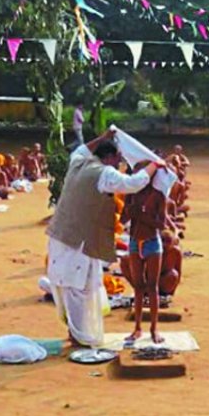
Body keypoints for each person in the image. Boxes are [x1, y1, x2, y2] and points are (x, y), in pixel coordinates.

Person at [46, 128, 160, 347]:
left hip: (61, 237)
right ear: (108, 158)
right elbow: (133, 183)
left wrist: (104, 137)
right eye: (117, 159)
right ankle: (80, 338)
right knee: (79, 289)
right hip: (78, 242)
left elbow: (83, 148)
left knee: (68, 287)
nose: (118, 164)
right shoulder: (103, 173)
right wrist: (156, 165)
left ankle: (76, 333)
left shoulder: (78, 162)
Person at [120, 161, 167, 344]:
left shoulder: (158, 196)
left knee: (152, 287)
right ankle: (137, 328)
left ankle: (154, 328)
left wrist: (142, 216)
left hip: (152, 243)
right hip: (134, 242)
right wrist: (130, 213)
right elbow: (123, 218)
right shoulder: (130, 195)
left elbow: (161, 224)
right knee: (138, 287)